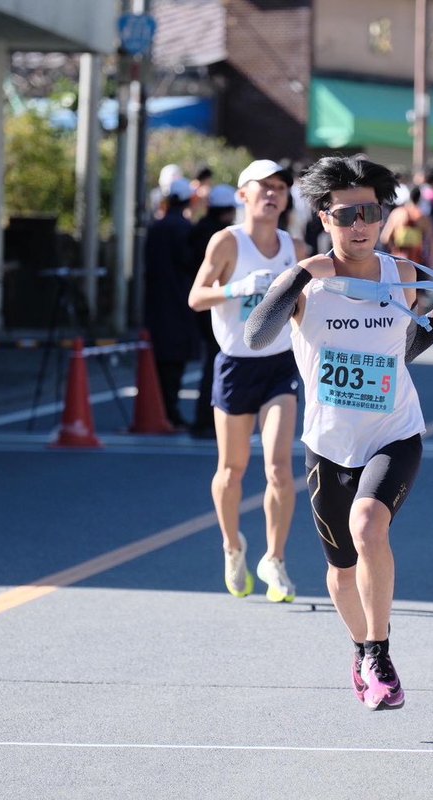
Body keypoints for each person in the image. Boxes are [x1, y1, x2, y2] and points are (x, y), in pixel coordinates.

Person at [243, 155, 433, 710]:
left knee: (369, 525)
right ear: (323, 217)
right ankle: (361, 645)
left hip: (394, 431)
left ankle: (379, 652)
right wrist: (299, 275)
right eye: (345, 214)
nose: (360, 224)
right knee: (340, 570)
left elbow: (405, 349)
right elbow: (256, 333)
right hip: (329, 442)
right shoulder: (308, 283)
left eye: (370, 211)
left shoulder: (403, 275)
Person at [187, 159, 308, 603]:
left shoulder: (294, 246)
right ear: (243, 195)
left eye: (280, 187)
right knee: (232, 469)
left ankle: (275, 560)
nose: (273, 194)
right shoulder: (227, 242)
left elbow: (311, 302)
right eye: (264, 187)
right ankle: (233, 546)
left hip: (279, 364)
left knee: (279, 468)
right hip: (236, 364)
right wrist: (238, 289)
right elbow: (196, 297)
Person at [143, 177, 197, 429]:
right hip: (179, 300)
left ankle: (158, 410)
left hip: (155, 302)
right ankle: (170, 412)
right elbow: (190, 263)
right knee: (175, 363)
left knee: (158, 360)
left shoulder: (155, 228)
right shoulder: (185, 229)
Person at [186, 183, 239, 439]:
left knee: (211, 362)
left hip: (201, 304)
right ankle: (208, 420)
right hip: (216, 304)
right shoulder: (223, 237)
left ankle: (205, 419)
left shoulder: (197, 230)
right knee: (218, 363)